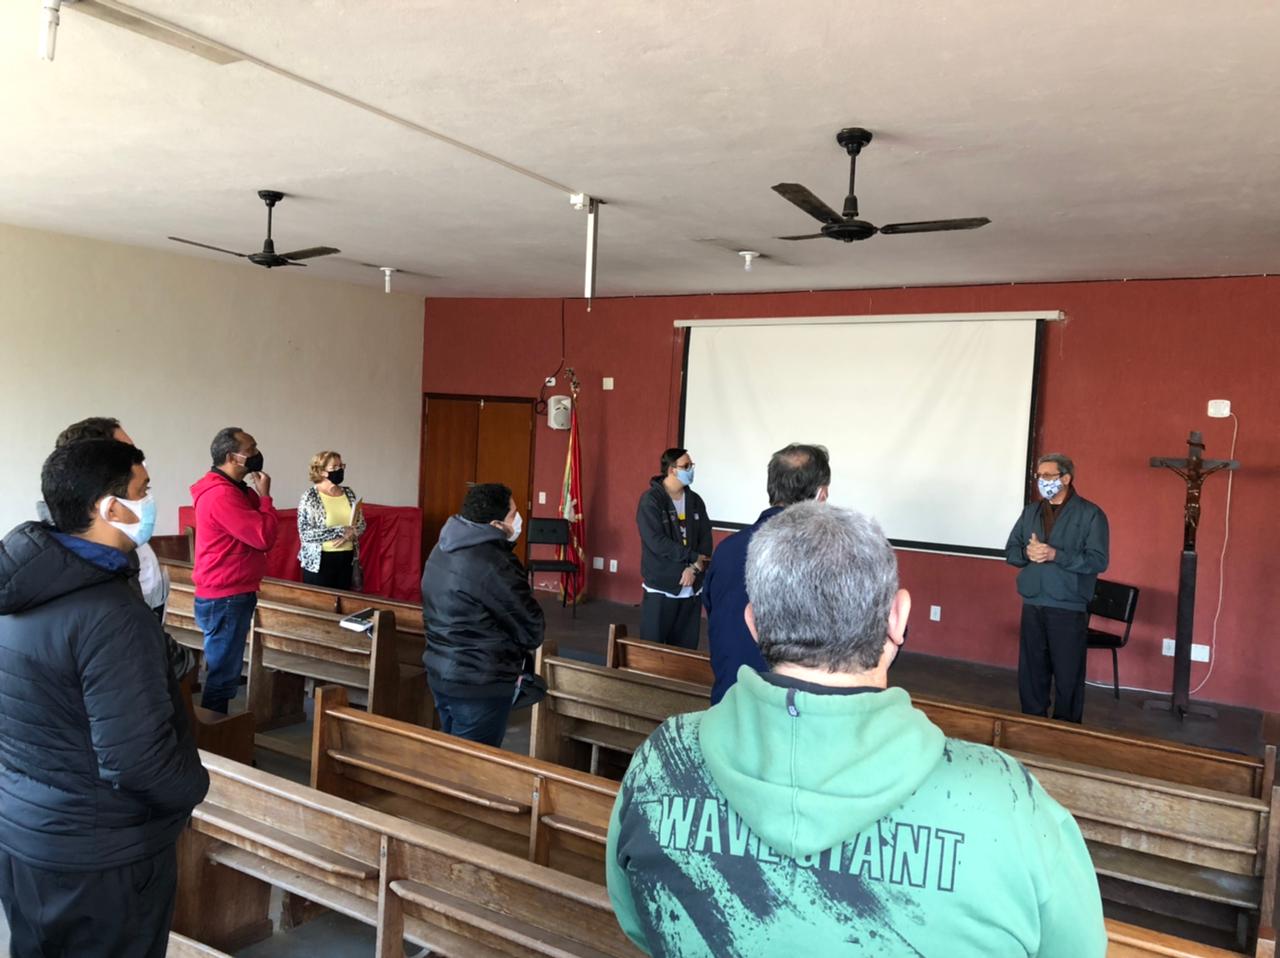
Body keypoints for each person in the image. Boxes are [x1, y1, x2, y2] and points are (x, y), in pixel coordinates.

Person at [607, 502, 1106, 957]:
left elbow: (637, 922)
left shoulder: (660, 761)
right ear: (898, 619)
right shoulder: (1010, 801)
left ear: (753, 624)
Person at [0, 439, 210, 958]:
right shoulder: (110, 612)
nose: (150, 501)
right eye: (144, 490)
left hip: (25, 835)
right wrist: (194, 786)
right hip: (102, 855)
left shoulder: (19, 588)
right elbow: (138, 760)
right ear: (110, 508)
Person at [39, 416, 196, 681]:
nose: (137, 459)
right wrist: (174, 659)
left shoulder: (121, 539)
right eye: (125, 450)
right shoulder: (83, 558)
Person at [704, 442, 829, 704]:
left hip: (728, 703)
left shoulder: (727, 549)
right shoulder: (827, 556)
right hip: (793, 713)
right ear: (821, 494)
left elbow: (715, 614)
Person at [421, 483, 544, 747]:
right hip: (479, 682)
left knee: (451, 753)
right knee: (471, 763)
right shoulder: (494, 562)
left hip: (440, 671)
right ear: (496, 524)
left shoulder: (442, 547)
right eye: (513, 514)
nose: (519, 520)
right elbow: (532, 629)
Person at [1005, 453, 1110, 723]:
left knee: (1068, 674)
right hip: (1033, 601)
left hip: (1068, 604)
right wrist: (1027, 553)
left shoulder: (1090, 514)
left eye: (1048, 475)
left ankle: (1066, 730)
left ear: (1066, 478)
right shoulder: (1031, 512)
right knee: (1031, 672)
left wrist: (1056, 555)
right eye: (1039, 476)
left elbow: (1098, 561)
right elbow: (1011, 551)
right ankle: (1032, 723)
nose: (1042, 481)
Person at [190, 427, 279, 713]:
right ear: (232, 457)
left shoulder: (233, 489)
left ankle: (216, 728)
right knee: (223, 673)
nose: (257, 453)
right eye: (251, 449)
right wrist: (266, 497)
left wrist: (254, 494)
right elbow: (262, 536)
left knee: (224, 667)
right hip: (226, 593)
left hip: (229, 590)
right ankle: (214, 733)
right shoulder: (220, 495)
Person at [636, 448, 713, 649]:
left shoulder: (695, 501)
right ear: (672, 470)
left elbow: (706, 538)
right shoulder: (651, 500)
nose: (691, 470)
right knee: (652, 651)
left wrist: (694, 568)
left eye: (692, 465)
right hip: (661, 587)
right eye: (686, 466)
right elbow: (656, 541)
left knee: (684, 652)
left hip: (692, 588)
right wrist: (691, 558)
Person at [297, 450, 365, 590]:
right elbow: (305, 534)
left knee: (343, 601)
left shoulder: (349, 493)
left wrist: (351, 533)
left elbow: (362, 524)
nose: (339, 470)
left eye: (341, 466)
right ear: (321, 471)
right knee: (319, 602)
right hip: (320, 561)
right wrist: (340, 531)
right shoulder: (310, 497)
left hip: (347, 558)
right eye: (334, 467)